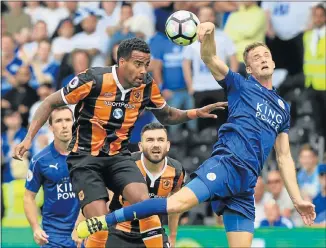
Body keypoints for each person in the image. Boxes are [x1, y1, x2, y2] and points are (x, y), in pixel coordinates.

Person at [77, 23, 316, 248]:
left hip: (246, 184)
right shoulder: (240, 86)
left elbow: (284, 157)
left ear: (273, 62)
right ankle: (104, 221)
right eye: (256, 58)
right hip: (226, 165)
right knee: (174, 205)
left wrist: (297, 200)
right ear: (250, 69)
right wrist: (209, 34)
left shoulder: (283, 108)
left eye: (266, 55)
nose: (263, 59)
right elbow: (209, 57)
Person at [14, 37, 226, 248]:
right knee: (100, 225)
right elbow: (50, 101)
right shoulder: (93, 79)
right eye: (138, 64)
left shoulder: (146, 85)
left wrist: (195, 112)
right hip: (85, 159)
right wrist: (28, 138)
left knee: (147, 207)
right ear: (121, 62)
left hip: (118, 157)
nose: (143, 70)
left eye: (146, 64)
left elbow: (167, 116)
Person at [104, 123, 184, 248]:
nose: (156, 144)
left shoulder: (177, 171)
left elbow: (175, 207)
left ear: (167, 145)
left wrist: (173, 236)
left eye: (160, 140)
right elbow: (104, 197)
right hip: (120, 231)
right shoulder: (125, 165)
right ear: (140, 146)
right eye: (150, 140)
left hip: (154, 232)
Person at [24, 106, 79, 247]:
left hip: (84, 231)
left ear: (75, 124)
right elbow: (28, 197)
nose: (64, 125)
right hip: (53, 235)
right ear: (51, 127)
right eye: (58, 121)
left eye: (68, 120)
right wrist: (36, 228)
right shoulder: (39, 160)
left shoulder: (88, 156)